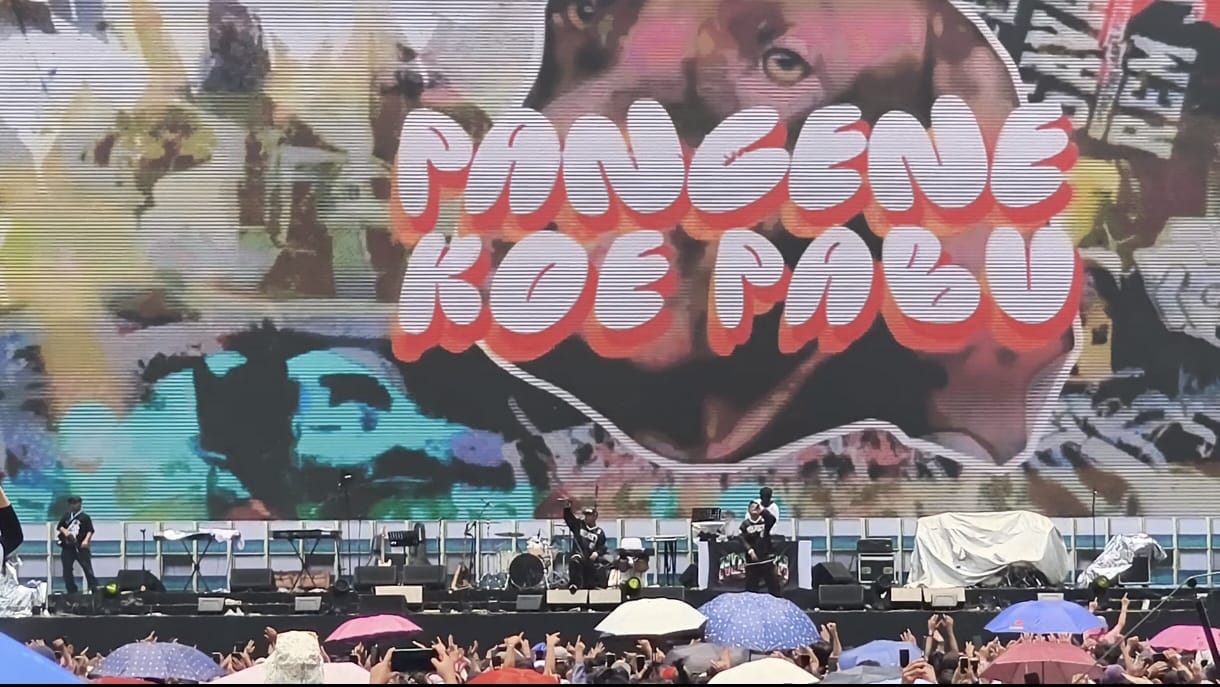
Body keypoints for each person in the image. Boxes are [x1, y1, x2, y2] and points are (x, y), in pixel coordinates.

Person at [57, 496, 98, 594]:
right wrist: (66, 532)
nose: (73, 505)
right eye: (71, 503)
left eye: (75, 503)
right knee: (67, 570)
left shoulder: (85, 517)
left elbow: (90, 530)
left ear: (80, 504)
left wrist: (86, 541)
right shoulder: (67, 516)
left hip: (80, 546)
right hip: (67, 547)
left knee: (87, 568)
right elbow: (60, 526)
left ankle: (94, 589)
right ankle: (71, 590)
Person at [739, 499, 781, 596]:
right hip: (752, 562)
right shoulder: (745, 524)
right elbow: (741, 539)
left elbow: (772, 520)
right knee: (751, 588)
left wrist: (762, 511)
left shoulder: (765, 521)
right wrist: (750, 551)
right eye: (752, 507)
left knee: (774, 586)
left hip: (766, 560)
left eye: (756, 507)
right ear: (748, 510)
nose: (755, 509)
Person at [563, 501, 607, 591]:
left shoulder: (599, 532)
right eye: (586, 515)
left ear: (595, 516)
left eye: (589, 515)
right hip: (579, 555)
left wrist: (597, 553)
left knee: (598, 571)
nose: (586, 517)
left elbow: (602, 547)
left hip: (590, 559)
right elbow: (569, 519)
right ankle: (574, 584)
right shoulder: (579, 525)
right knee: (574, 561)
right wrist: (567, 509)